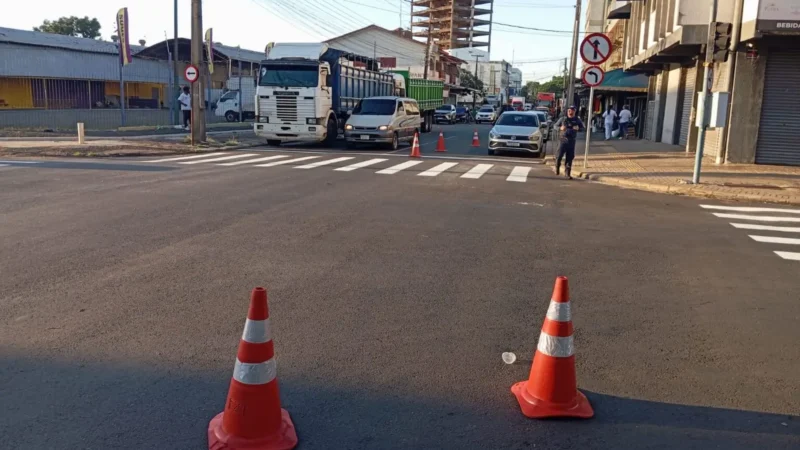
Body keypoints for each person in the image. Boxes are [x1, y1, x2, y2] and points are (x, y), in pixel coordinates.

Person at [553, 106, 585, 180]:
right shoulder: (563, 119)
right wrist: (560, 128)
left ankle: (567, 173)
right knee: (559, 155)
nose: (570, 112)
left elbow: (583, 128)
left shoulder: (577, 120)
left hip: (572, 140)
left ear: (575, 111)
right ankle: (557, 167)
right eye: (569, 110)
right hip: (563, 139)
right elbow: (555, 126)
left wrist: (578, 128)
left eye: (572, 111)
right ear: (567, 111)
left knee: (570, 157)